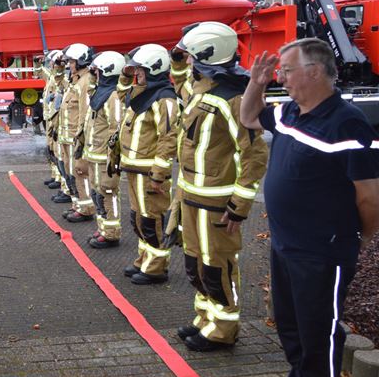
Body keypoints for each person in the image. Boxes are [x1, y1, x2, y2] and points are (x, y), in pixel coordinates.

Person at [240, 38, 379, 377]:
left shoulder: (347, 123)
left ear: (314, 72)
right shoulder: (289, 111)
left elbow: (370, 197)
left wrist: (359, 238)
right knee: (291, 328)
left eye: (287, 71)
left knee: (319, 337)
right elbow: (248, 117)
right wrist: (256, 83)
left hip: (321, 252)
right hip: (285, 245)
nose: (281, 79)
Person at [173, 21, 268, 351]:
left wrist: (238, 207)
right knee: (195, 263)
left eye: (188, 57)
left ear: (203, 58)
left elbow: (254, 154)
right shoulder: (201, 91)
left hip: (216, 204)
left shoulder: (233, 99)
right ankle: (206, 318)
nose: (184, 62)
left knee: (217, 265)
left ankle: (224, 328)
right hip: (191, 196)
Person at [118, 44, 179, 285]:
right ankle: (144, 260)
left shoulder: (164, 99)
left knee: (152, 220)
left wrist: (159, 174)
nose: (137, 74)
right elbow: (120, 94)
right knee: (139, 219)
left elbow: (169, 137)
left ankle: (156, 268)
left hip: (149, 172)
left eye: (141, 70)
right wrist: (125, 72)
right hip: (135, 169)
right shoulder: (141, 95)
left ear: (154, 69)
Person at [79, 51, 127, 248]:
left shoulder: (113, 96)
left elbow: (116, 127)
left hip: (104, 157)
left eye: (98, 71)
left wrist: (112, 158)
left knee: (108, 192)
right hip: (93, 154)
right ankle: (102, 229)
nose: (94, 75)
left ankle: (111, 233)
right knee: (98, 193)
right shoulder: (100, 93)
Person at [57, 43, 96, 221]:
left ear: (81, 61)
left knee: (79, 173)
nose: (69, 65)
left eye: (72, 61)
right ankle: (77, 204)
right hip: (66, 136)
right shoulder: (76, 80)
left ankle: (86, 208)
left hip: (74, 138)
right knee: (70, 171)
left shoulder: (85, 81)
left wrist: (81, 139)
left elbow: (84, 113)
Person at [41, 50, 67, 191]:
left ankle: (60, 180)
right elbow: (42, 72)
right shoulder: (52, 75)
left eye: (51, 61)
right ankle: (55, 175)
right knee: (50, 149)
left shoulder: (62, 78)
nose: (50, 63)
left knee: (57, 151)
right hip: (50, 117)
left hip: (55, 118)